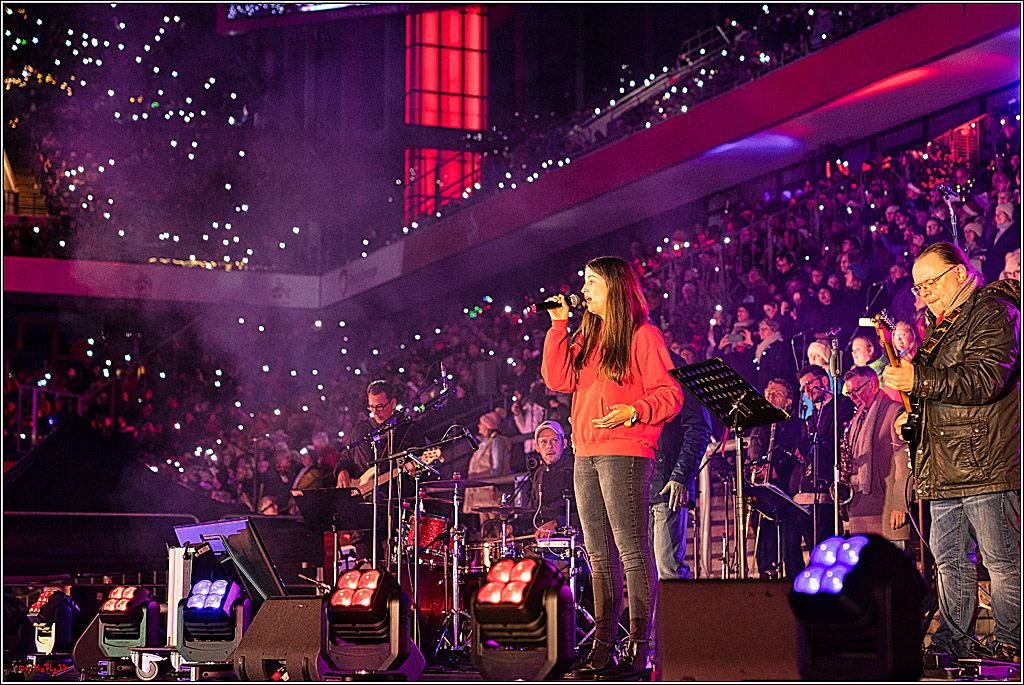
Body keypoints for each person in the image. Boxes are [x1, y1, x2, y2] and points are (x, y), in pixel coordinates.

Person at [541, 256, 683, 680]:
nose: (584, 290)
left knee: (632, 551)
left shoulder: (643, 335)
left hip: (626, 449)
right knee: (599, 557)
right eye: (584, 282)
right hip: (585, 452)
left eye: (592, 283)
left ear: (616, 289)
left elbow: (670, 394)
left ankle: (640, 650)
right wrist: (557, 326)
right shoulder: (587, 336)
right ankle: (602, 651)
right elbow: (557, 379)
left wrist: (633, 411)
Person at [882, 241, 1020, 663]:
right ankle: (953, 640)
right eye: (918, 288)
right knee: (949, 562)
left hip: (985, 460)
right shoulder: (943, 325)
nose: (925, 294)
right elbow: (939, 391)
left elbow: (983, 379)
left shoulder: (994, 310)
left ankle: (1012, 639)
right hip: (942, 464)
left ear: (961, 272)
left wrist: (918, 381)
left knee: (1002, 561)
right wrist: (913, 419)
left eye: (931, 282)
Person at [649, 349, 713, 581]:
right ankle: (651, 619)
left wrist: (680, 476)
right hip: (639, 484)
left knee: (668, 571)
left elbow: (699, 428)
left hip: (667, 483)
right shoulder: (637, 370)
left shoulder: (678, 372)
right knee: (644, 574)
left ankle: (676, 618)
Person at [840, 366, 911, 545]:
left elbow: (904, 461)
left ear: (872, 385)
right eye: (849, 393)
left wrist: (900, 505)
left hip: (886, 506)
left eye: (855, 390)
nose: (852, 397)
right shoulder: (857, 418)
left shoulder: (894, 411)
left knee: (890, 568)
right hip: (859, 504)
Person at [792, 364, 855, 548]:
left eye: (809, 384)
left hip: (832, 486)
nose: (806, 391)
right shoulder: (812, 417)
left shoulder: (841, 405)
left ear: (824, 381)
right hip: (813, 487)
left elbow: (838, 441)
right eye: (802, 388)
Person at [747, 378, 804, 578]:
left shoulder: (796, 424)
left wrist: (776, 467)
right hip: (762, 492)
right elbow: (753, 452)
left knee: (790, 547)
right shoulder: (759, 424)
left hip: (786, 493)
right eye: (768, 392)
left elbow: (796, 456)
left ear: (788, 402)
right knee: (765, 546)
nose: (769, 397)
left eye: (776, 394)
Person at [515, 420, 577, 539]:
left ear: (564, 443)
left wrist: (557, 523)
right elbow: (533, 511)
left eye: (554, 440)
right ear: (537, 447)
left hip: (571, 542)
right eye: (544, 442)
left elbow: (589, 513)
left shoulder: (575, 469)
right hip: (543, 541)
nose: (550, 446)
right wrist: (513, 526)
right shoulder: (539, 473)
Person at [463, 408, 512, 536]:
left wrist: (476, 477)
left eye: (481, 423)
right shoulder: (483, 442)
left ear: (488, 425)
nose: (478, 426)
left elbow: (497, 468)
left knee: (495, 528)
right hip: (481, 494)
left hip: (491, 493)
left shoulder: (496, 441)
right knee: (485, 528)